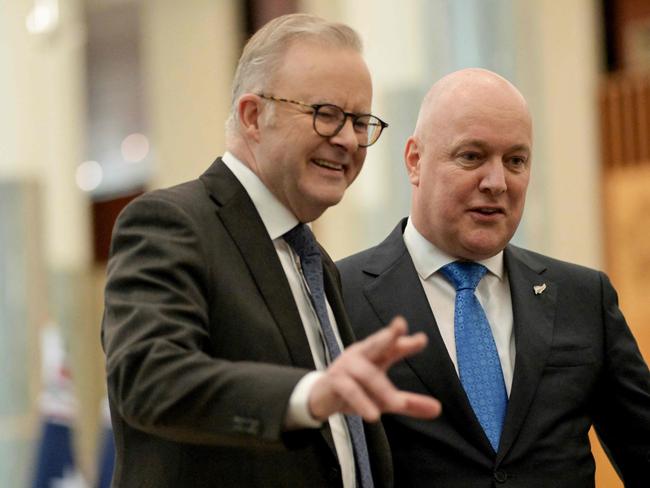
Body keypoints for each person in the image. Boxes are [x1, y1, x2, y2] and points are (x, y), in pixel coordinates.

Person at [101, 13, 440, 488]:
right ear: (253, 116)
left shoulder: (315, 262)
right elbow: (149, 379)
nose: (347, 139)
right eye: (326, 114)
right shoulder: (171, 223)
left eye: (361, 122)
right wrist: (306, 397)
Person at [337, 68, 650, 487]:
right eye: (471, 156)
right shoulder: (339, 294)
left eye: (515, 161)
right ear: (414, 160)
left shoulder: (582, 298)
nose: (497, 182)